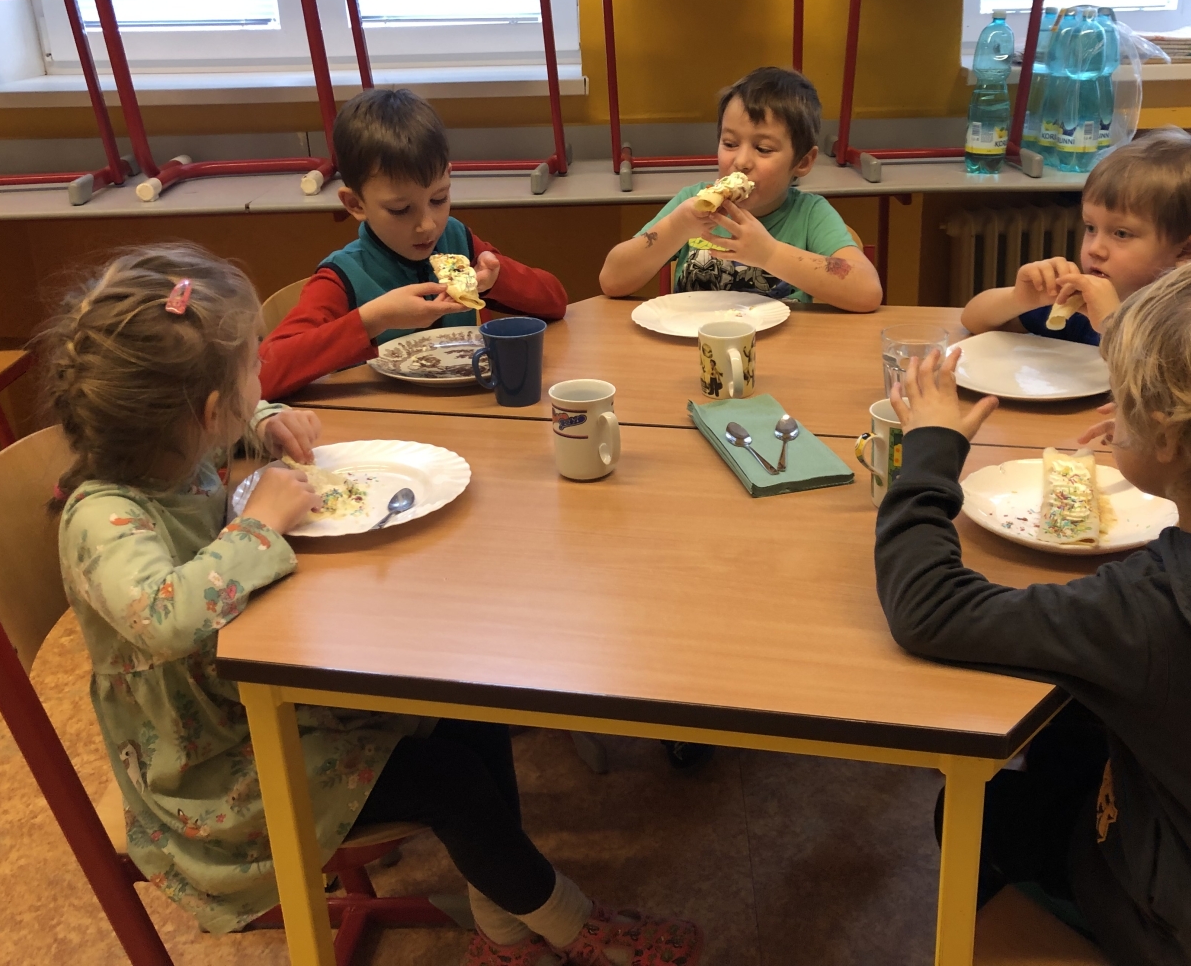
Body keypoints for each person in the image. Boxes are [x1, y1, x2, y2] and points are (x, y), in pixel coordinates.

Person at [45, 244, 701, 966]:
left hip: (265, 696)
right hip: (214, 775)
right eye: (251, 373)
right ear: (206, 412)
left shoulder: (169, 451)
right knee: (451, 782)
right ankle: (573, 925)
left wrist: (264, 419)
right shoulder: (101, 518)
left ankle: (506, 932)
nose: (261, 380)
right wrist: (259, 525)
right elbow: (164, 616)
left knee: (470, 705)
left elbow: (231, 420)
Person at [875, 254, 1191, 966]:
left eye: (1128, 403)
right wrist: (1170, 448)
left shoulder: (1149, 612)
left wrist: (930, 450)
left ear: (1169, 436)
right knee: (1071, 724)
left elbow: (927, 608)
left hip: (1188, 936)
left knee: (980, 811)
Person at [259, 88, 568, 400]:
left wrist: (494, 281)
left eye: (439, 198)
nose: (428, 225)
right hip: (381, 422)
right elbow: (260, 377)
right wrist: (374, 319)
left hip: (469, 411)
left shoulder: (455, 243)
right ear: (355, 204)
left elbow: (555, 301)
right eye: (400, 209)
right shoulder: (344, 276)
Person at [598, 66, 883, 312]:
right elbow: (612, 280)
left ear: (803, 162)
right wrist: (676, 227)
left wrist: (769, 254)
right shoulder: (690, 203)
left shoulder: (810, 215)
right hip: (694, 346)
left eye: (763, 148)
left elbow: (867, 291)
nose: (741, 161)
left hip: (783, 351)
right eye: (730, 144)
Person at [960, 127, 1191, 344]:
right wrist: (1018, 299)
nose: (1095, 249)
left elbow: (1161, 384)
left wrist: (1111, 324)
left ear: (1187, 249)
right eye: (1091, 228)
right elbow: (974, 320)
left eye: (1121, 233)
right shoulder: (1083, 303)